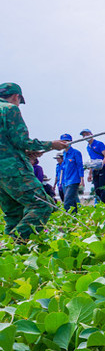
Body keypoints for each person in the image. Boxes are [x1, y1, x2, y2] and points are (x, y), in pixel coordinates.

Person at [0, 82, 67, 241]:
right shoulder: (10, 109)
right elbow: (21, 141)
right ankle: (12, 243)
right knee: (43, 205)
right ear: (16, 97)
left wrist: (27, 152)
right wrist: (51, 145)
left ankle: (11, 254)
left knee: (14, 213)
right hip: (12, 170)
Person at [81, 129, 105, 204]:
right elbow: (92, 161)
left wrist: (101, 165)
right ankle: (99, 204)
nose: (85, 136)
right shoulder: (88, 147)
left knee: (103, 187)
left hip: (104, 167)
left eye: (87, 134)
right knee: (97, 189)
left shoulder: (99, 144)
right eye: (84, 135)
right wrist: (90, 173)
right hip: (95, 169)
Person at [59, 134, 84, 213]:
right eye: (63, 141)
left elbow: (80, 166)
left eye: (67, 141)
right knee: (72, 202)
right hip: (66, 181)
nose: (65, 143)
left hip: (74, 180)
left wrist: (81, 179)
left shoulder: (76, 153)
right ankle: (74, 217)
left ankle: (68, 216)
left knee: (67, 201)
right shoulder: (64, 153)